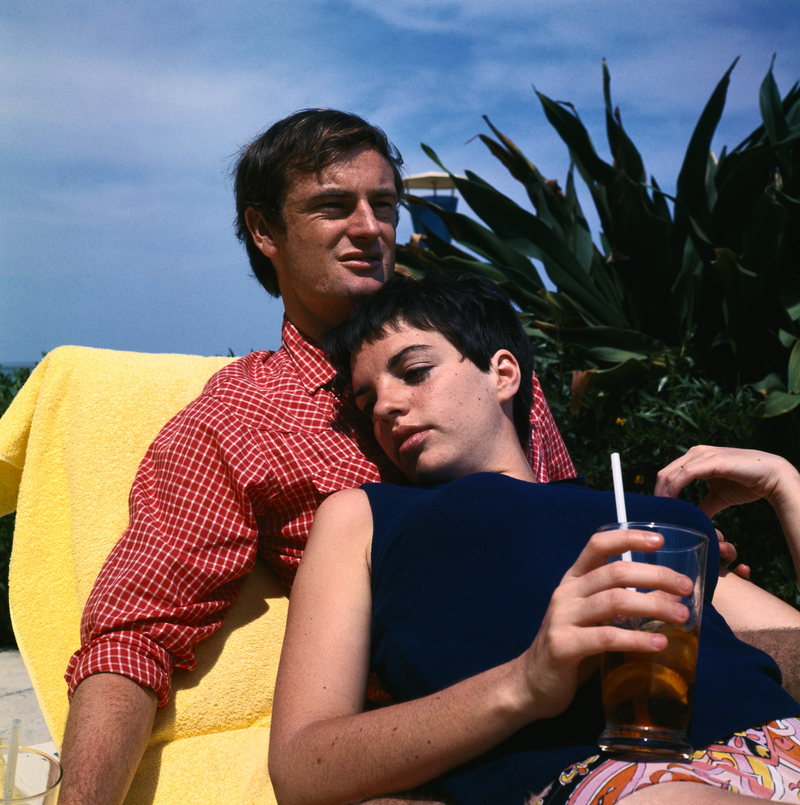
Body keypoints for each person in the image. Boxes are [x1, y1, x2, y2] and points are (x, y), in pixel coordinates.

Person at [56, 111, 576, 805]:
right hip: (432, 762)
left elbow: (573, 519)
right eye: (334, 206)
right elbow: (135, 634)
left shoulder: (486, 371)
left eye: (384, 205)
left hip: (607, 704)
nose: (370, 228)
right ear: (265, 230)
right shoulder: (239, 421)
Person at [268, 272, 800, 805]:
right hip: (622, 776)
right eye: (366, 402)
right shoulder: (364, 516)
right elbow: (299, 766)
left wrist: (787, 487)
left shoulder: (644, 519)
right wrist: (523, 683)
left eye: (414, 371)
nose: (384, 406)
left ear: (502, 374)